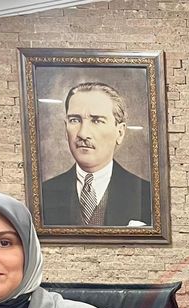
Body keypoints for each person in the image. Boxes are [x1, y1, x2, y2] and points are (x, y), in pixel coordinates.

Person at [40, 81, 153, 227]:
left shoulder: (147, 194)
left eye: (97, 121)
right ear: (65, 128)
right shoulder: (43, 194)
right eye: (74, 120)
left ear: (120, 132)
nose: (83, 133)